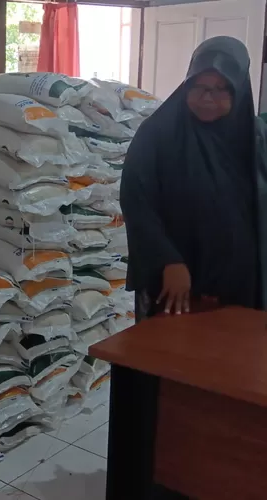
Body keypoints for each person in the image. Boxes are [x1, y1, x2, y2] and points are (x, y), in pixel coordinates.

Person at [112, 36, 267, 500]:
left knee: (230, 381)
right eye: (200, 86)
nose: (208, 98)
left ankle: (220, 472)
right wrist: (168, 260)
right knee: (171, 381)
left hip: (240, 283)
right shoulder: (159, 133)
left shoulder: (253, 137)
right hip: (178, 284)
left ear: (240, 91)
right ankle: (163, 474)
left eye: (222, 89)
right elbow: (136, 199)